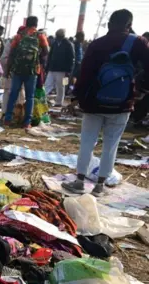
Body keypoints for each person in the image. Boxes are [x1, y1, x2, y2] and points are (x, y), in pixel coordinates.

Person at [62, 10, 149, 196]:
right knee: (111, 144)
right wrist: (140, 90)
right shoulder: (139, 43)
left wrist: (76, 98)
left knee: (87, 141)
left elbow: (84, 73)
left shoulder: (97, 44)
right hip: (122, 103)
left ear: (109, 24)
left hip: (93, 103)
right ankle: (100, 186)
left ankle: (79, 182)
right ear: (129, 24)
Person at [3, 16, 49, 129]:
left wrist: (8, 70)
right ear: (36, 24)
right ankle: (27, 122)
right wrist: (37, 57)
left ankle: (8, 119)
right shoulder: (40, 36)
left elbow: (11, 54)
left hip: (17, 70)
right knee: (30, 97)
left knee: (13, 94)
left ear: (26, 24)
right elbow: (47, 51)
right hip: (32, 71)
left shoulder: (18, 36)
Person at [44, 29, 75, 107]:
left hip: (62, 70)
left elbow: (71, 58)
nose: (57, 37)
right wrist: (47, 67)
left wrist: (69, 70)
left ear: (62, 36)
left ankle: (58, 102)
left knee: (60, 86)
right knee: (48, 84)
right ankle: (42, 100)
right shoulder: (54, 43)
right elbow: (50, 56)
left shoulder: (68, 44)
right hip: (52, 68)